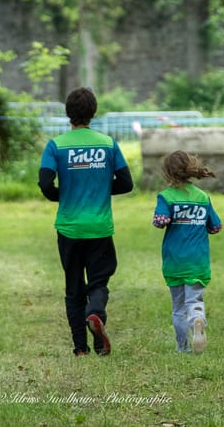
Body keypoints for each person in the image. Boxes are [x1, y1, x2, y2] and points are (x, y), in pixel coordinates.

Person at [38, 87, 134, 357]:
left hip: (69, 228)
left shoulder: (56, 146)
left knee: (73, 287)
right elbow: (126, 183)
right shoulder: (107, 144)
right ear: (93, 112)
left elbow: (45, 184)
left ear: (68, 114)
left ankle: (80, 348)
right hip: (99, 228)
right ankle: (96, 313)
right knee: (99, 282)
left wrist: (64, 194)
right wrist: (101, 189)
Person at [152, 150, 222, 353]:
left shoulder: (165, 197)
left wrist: (171, 217)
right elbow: (215, 226)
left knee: (178, 307)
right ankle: (198, 318)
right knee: (194, 299)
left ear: (168, 173)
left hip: (174, 259)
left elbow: (160, 221)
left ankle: (182, 347)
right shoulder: (202, 197)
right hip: (198, 259)